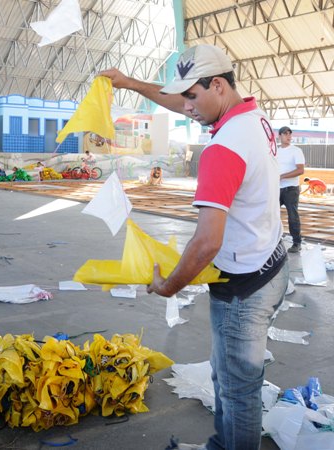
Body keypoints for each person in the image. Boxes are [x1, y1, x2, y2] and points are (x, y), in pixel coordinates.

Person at [101, 44, 288, 450]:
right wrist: (129, 82)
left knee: (237, 390)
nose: (186, 108)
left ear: (217, 85)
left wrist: (169, 285)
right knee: (230, 377)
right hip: (271, 262)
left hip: (244, 288)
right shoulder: (251, 117)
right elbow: (180, 99)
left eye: (192, 96)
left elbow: (206, 242)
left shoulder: (222, 149)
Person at [276, 126, 305, 253]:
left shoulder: (296, 151)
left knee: (292, 216)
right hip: (276, 189)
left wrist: (282, 176)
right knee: (272, 215)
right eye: (285, 134)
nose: (288, 136)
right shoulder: (275, 151)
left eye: (290, 134)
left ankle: (296, 243)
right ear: (280, 136)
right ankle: (274, 240)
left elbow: (300, 170)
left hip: (291, 189)